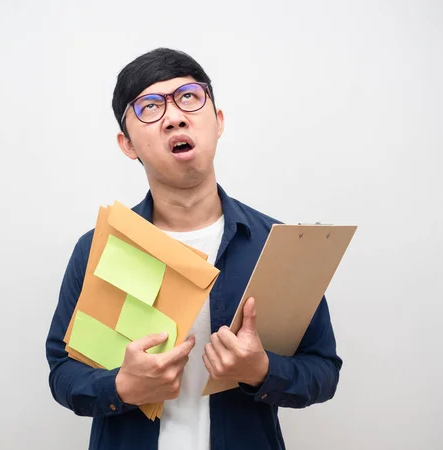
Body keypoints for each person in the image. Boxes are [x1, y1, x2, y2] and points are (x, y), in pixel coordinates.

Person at [45, 47, 342, 450]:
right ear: (127, 143)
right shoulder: (100, 248)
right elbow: (62, 371)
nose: (175, 116)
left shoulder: (278, 245)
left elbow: (323, 370)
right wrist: (121, 385)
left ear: (217, 121)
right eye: (149, 106)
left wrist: (262, 369)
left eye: (189, 97)